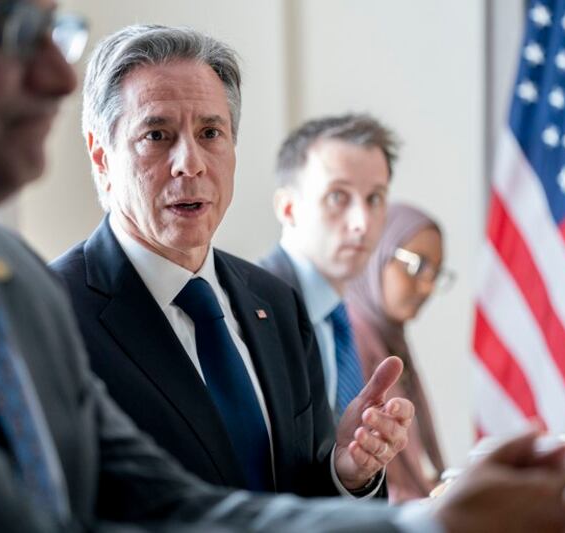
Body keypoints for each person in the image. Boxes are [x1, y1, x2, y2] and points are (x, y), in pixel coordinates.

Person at [0, 1, 565, 532]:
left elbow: (172, 504)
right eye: (8, 30)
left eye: (213, 132)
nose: (53, 75)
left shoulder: (3, 274)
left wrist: (422, 514)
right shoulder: (24, 291)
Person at [51, 25, 409, 498]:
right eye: (157, 135)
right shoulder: (53, 310)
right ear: (102, 157)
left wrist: (346, 473)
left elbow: (298, 501)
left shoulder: (277, 302)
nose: (190, 163)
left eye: (210, 133)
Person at [260, 113, 395, 419]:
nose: (362, 222)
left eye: (374, 198)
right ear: (288, 208)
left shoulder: (343, 317)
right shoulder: (252, 309)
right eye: (338, 196)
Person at [347, 203, 452, 503]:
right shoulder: (349, 340)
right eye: (418, 265)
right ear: (377, 254)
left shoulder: (391, 338)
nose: (429, 286)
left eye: (436, 271)